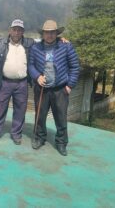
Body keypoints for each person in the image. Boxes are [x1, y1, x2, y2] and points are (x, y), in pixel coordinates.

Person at [29, 20, 80, 156]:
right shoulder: (36, 48)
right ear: (43, 34)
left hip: (60, 89)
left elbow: (75, 66)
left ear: (57, 33)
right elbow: (31, 65)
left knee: (61, 118)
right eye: (47, 32)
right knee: (40, 116)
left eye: (52, 32)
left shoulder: (65, 46)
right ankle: (39, 138)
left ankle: (61, 143)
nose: (50, 35)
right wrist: (37, 76)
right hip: (42, 90)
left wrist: (70, 86)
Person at [0, 19, 35, 145]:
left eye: (19, 30)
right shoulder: (0, 43)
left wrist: (60, 40)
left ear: (23, 31)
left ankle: (16, 134)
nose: (17, 32)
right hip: (4, 82)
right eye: (14, 29)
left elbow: (45, 45)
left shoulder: (30, 43)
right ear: (10, 30)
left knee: (20, 109)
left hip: (22, 83)